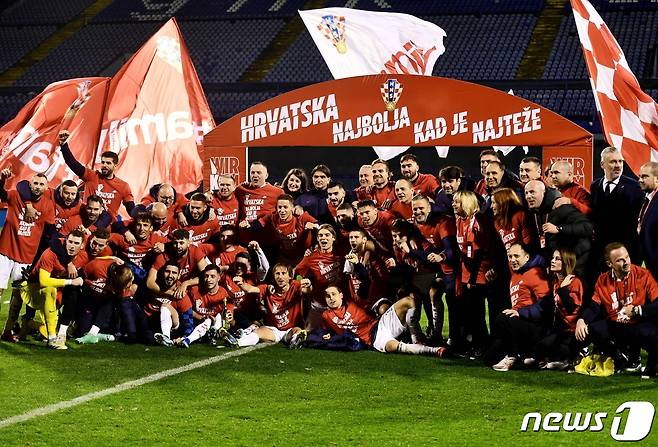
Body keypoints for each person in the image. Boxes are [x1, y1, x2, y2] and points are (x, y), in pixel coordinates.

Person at [575, 243, 658, 377]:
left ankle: (650, 366)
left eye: (627, 257)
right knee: (591, 329)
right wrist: (581, 319)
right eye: (620, 260)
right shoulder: (602, 280)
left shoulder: (643, 275)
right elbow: (594, 306)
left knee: (653, 334)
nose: (626, 262)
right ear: (610, 264)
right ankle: (619, 358)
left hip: (637, 324)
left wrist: (637, 310)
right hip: (616, 326)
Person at [0, 169, 56, 342]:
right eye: (35, 183)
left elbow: (51, 231)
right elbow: (1, 193)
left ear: (47, 187)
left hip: (26, 258)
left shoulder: (48, 205)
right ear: (29, 184)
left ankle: (7, 331)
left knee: (17, 296)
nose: (37, 187)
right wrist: (2, 179)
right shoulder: (16, 195)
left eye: (41, 184)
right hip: (5, 252)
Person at [320, 286, 446, 357]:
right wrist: (330, 335)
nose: (331, 298)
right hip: (373, 339)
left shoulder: (353, 302)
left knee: (409, 301)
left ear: (341, 295)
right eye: (327, 296)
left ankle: (416, 338)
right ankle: (434, 351)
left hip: (380, 324)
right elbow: (326, 332)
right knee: (393, 346)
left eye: (333, 294)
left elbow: (369, 293)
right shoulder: (326, 315)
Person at [13, 230, 86, 349]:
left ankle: (30, 323)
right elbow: (44, 281)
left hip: (56, 291)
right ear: (65, 241)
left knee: (74, 291)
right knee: (50, 289)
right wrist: (71, 281)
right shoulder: (50, 254)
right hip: (34, 290)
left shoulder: (84, 255)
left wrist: (113, 257)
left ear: (82, 245)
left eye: (76, 243)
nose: (72, 246)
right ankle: (52, 339)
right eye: (70, 242)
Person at [489, 243, 551, 371]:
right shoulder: (515, 275)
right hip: (521, 324)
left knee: (503, 318)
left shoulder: (535, 273)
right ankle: (525, 355)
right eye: (510, 256)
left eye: (516, 256)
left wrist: (521, 313)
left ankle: (513, 355)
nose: (512, 259)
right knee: (489, 358)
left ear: (527, 257)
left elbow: (546, 305)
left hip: (535, 326)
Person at [411, 194, 459, 346]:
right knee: (429, 292)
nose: (418, 212)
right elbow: (427, 249)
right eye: (415, 209)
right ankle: (435, 335)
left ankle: (455, 337)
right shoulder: (417, 224)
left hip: (454, 268)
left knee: (453, 300)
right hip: (439, 268)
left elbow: (452, 249)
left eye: (421, 208)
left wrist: (442, 257)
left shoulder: (443, 222)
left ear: (429, 208)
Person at [453, 190, 497, 355]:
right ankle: (476, 344)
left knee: (478, 312)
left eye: (457, 202)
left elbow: (478, 253)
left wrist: (471, 278)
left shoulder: (477, 221)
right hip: (468, 273)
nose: (454, 204)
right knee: (471, 312)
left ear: (466, 203)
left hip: (479, 274)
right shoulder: (459, 221)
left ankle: (484, 345)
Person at [58, 130, 135, 217]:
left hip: (106, 226)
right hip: (85, 219)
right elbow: (73, 163)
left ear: (115, 165)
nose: (104, 165)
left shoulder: (123, 186)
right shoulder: (91, 176)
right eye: (103, 162)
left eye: (108, 163)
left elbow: (131, 209)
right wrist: (64, 145)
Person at [590, 146, 644, 268]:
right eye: (613, 161)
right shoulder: (595, 186)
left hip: (627, 250)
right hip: (602, 251)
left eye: (620, 161)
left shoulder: (634, 187)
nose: (618, 165)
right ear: (602, 164)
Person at [525, 180, 592, 278]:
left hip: (578, 268)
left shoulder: (562, 207)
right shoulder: (535, 214)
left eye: (532, 192)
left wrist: (559, 228)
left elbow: (587, 228)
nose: (528, 196)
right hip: (559, 269)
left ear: (543, 192)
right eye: (526, 193)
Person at [531, 249, 585, 370]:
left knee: (559, 348)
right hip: (560, 329)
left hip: (572, 331)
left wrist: (563, 289)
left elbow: (571, 309)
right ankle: (556, 359)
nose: (553, 261)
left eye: (557, 259)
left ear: (566, 262)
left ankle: (569, 358)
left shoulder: (574, 282)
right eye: (553, 258)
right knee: (540, 347)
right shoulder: (556, 281)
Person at [233, 263, 310, 348]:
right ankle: (237, 342)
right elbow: (251, 289)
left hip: (291, 329)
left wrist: (309, 285)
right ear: (273, 277)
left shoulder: (295, 286)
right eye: (277, 274)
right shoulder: (267, 289)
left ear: (290, 276)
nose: (280, 277)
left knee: (298, 331)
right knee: (258, 332)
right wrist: (241, 284)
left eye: (283, 273)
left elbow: (308, 291)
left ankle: (295, 341)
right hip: (274, 330)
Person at [240, 194, 317, 264]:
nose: (282, 211)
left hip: (304, 255)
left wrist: (314, 226)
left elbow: (320, 226)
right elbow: (259, 224)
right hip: (285, 256)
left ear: (292, 208)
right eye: (279, 207)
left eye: (285, 207)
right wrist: (248, 225)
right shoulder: (272, 217)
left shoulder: (302, 217)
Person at [175, 264, 234, 348]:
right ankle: (190, 338)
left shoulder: (224, 294)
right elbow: (186, 309)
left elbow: (231, 321)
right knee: (207, 321)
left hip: (216, 324)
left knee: (217, 317)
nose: (209, 279)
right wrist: (201, 317)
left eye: (212, 276)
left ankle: (189, 339)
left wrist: (229, 318)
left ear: (219, 278)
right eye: (206, 276)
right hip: (196, 323)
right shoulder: (194, 290)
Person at [149, 262, 194, 347]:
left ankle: (166, 337)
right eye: (167, 271)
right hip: (152, 322)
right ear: (162, 272)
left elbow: (189, 323)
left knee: (165, 306)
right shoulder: (154, 286)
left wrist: (183, 337)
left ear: (179, 275)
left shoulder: (180, 294)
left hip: (173, 327)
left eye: (174, 273)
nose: (170, 275)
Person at [637, 161, 658, 281]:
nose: (640, 180)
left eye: (645, 176)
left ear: (657, 179)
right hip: (649, 265)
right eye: (640, 176)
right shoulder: (647, 198)